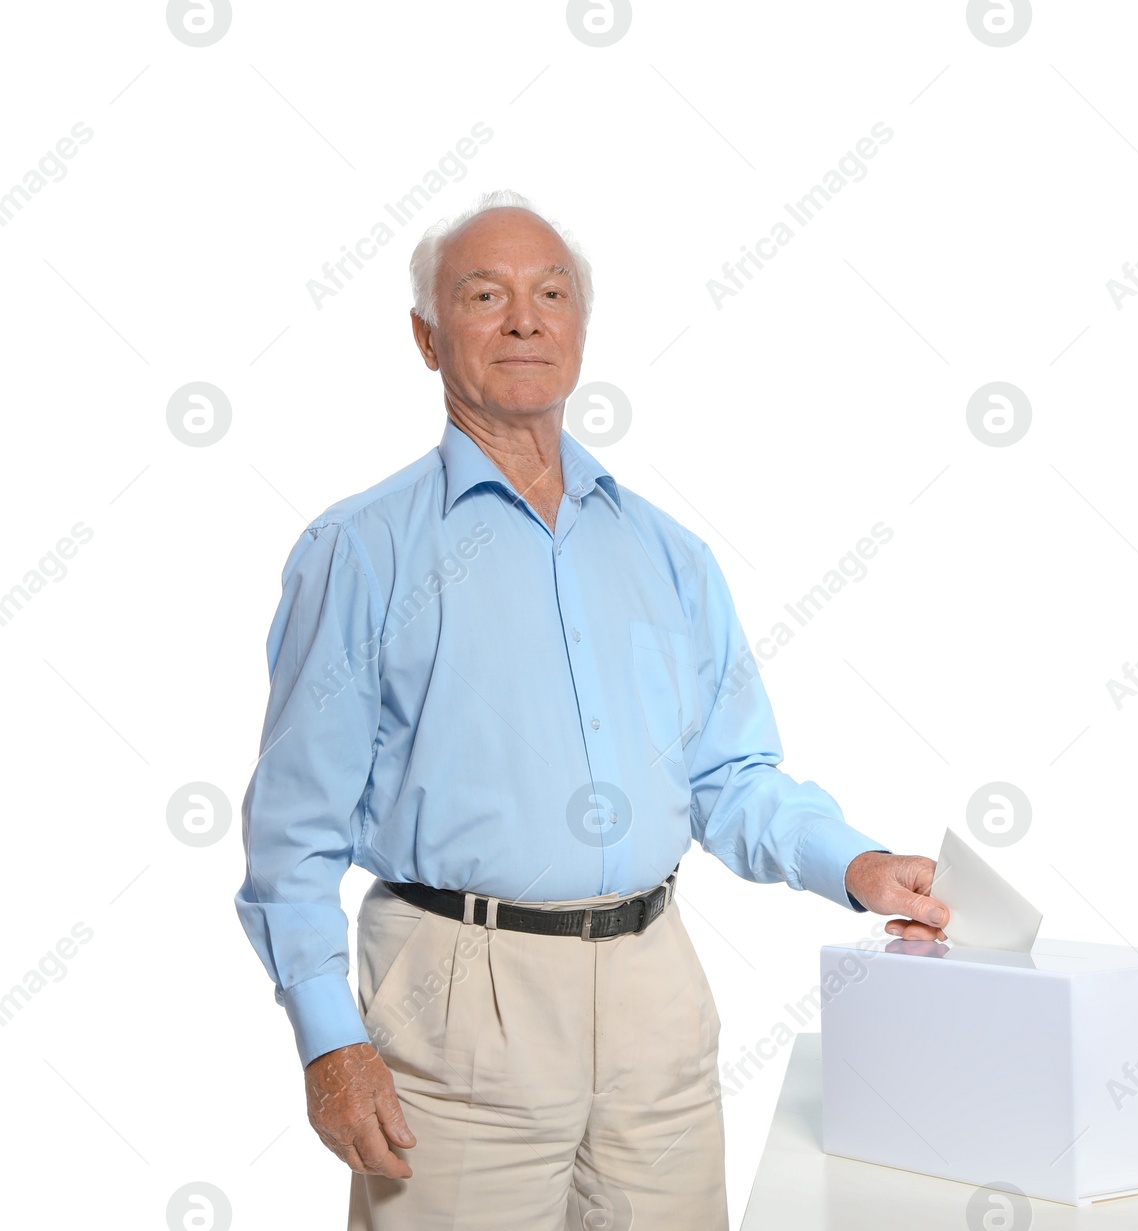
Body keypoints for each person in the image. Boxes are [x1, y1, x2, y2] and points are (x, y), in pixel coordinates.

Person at [233, 188, 949, 1231]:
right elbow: (288, 835)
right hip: (455, 1003)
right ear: (427, 338)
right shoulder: (361, 552)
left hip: (657, 996)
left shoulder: (667, 553)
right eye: (486, 294)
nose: (526, 318)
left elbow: (727, 776)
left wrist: (855, 864)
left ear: (579, 329)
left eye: (552, 293)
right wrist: (328, 1038)